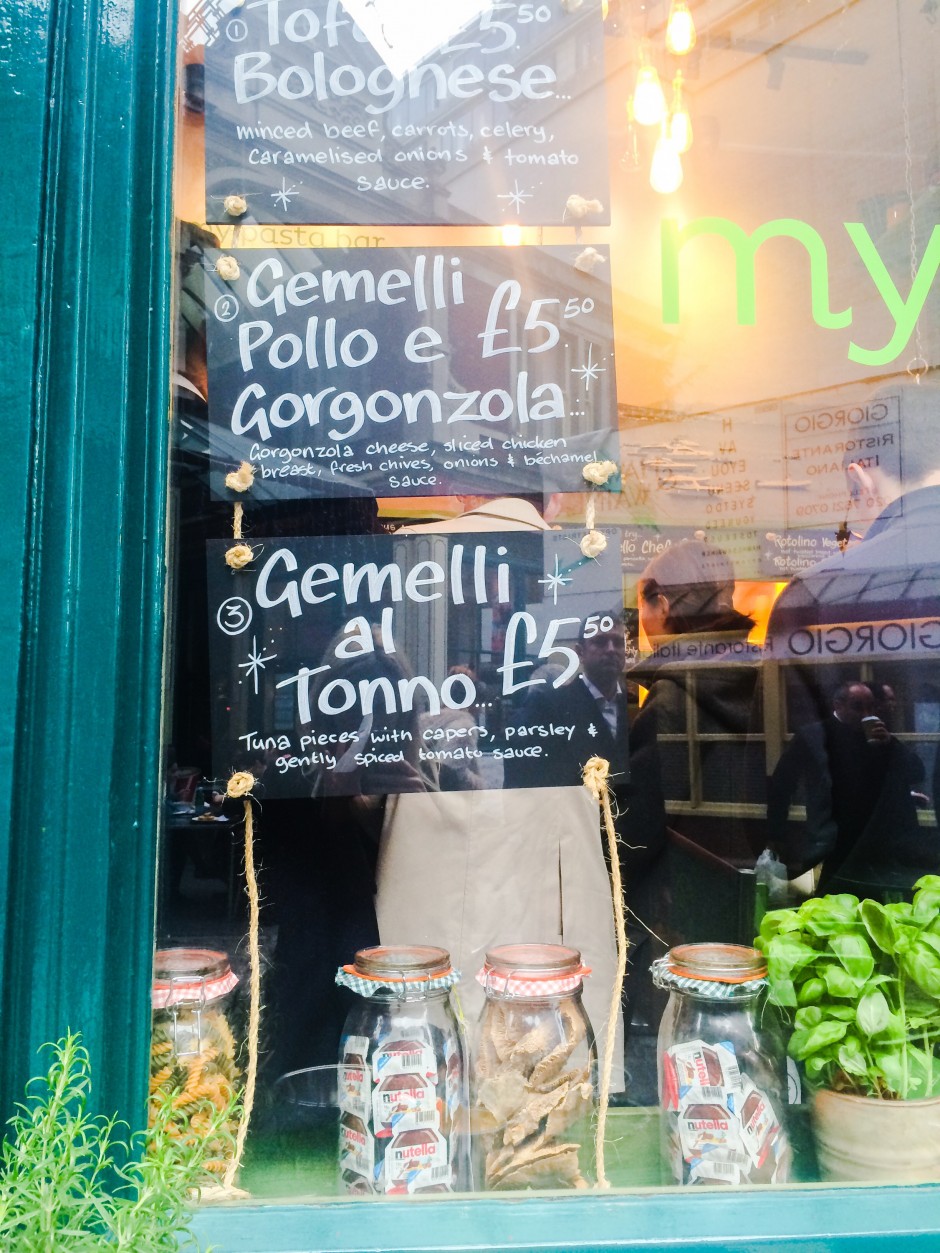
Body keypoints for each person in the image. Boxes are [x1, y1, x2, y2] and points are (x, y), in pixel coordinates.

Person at [374, 499, 625, 1088]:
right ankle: (547, 1095)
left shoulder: (410, 561)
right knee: (546, 976)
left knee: (427, 977)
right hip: (541, 816)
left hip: (436, 815)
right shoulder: (572, 572)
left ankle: (419, 1087)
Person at [767, 377, 940, 897]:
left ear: (860, 475)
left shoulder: (817, 595)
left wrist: (793, 868)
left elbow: (770, 780)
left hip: (855, 887)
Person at [767, 681, 928, 896]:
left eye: (871, 707)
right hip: (828, 842)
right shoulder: (813, 736)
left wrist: (890, 744)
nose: (866, 714)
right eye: (858, 707)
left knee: (871, 905)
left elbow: (916, 773)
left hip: (873, 843)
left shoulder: (879, 739)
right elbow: (782, 784)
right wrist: (776, 833)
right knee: (825, 904)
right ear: (838, 705)